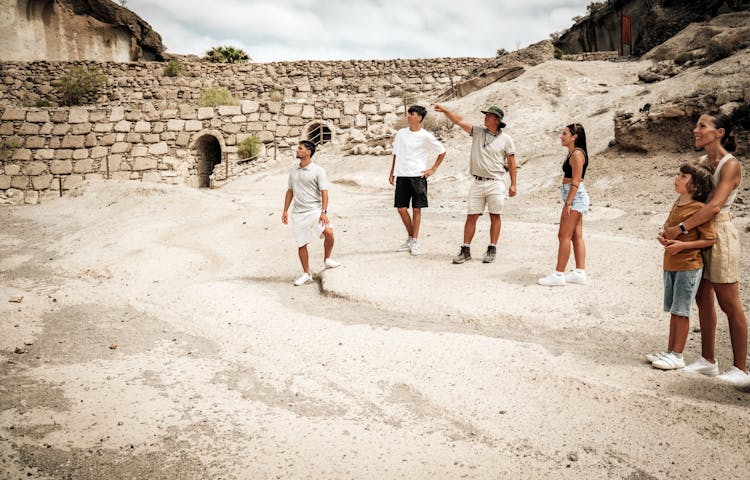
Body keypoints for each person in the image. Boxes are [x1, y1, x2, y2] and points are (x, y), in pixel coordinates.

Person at [662, 112, 748, 385]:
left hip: (719, 231)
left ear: (719, 132)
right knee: (702, 297)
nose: (696, 130)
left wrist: (682, 229)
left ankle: (740, 368)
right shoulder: (700, 162)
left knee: (729, 301)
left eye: (702, 126)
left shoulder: (730, 164)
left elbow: (713, 206)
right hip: (697, 231)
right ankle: (708, 360)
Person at [647, 163, 715, 370]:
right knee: (674, 311)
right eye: (678, 174)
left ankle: (677, 355)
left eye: (683, 176)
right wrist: (663, 236)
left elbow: (710, 239)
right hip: (672, 264)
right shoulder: (678, 203)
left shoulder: (699, 209)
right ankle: (669, 351)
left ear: (695, 186)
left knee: (682, 311)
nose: (677, 178)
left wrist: (683, 245)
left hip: (688, 266)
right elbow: (668, 227)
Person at [434, 104, 517, 264]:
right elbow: (459, 121)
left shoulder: (506, 139)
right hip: (478, 182)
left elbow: (512, 163)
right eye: (485, 115)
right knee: (471, 216)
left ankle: (492, 248)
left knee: (495, 215)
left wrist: (513, 184)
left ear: (497, 120)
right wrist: (446, 111)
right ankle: (465, 250)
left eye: (489, 116)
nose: (485, 118)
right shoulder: (478, 132)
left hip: (496, 182)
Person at [389, 105, 447, 256]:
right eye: (408, 113)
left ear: (419, 118)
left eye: (412, 114)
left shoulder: (425, 135)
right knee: (401, 209)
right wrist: (392, 172)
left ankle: (415, 240)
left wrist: (432, 169)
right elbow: (396, 153)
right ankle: (410, 237)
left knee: (416, 209)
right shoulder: (401, 133)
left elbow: (442, 151)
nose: (408, 116)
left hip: (418, 176)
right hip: (402, 175)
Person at [538, 123, 590, 286]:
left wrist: (568, 202)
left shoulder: (576, 154)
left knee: (563, 235)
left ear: (574, 137)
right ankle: (579, 273)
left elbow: (576, 180)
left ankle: (558, 275)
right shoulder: (574, 153)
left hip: (574, 197)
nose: (561, 136)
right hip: (575, 196)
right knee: (575, 235)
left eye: (565, 133)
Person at [282, 140, 340, 286]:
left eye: (300, 148)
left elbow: (324, 193)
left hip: (314, 210)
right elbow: (290, 192)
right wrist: (285, 211)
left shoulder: (318, 170)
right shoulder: (293, 171)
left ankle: (327, 259)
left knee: (329, 233)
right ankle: (306, 274)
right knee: (302, 244)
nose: (297, 150)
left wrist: (324, 212)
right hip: (298, 213)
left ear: (308, 152)